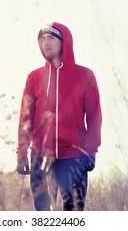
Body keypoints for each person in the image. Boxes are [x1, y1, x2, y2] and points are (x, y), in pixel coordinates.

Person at [16, 22, 102, 211]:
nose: (45, 42)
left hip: (73, 155)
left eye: (51, 38)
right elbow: (25, 119)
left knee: (72, 214)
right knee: (44, 215)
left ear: (65, 42)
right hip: (40, 156)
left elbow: (94, 116)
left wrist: (91, 151)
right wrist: (22, 153)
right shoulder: (34, 77)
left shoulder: (85, 76)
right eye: (42, 38)